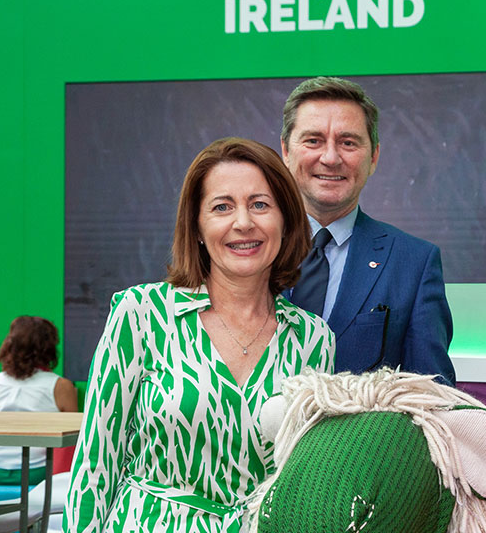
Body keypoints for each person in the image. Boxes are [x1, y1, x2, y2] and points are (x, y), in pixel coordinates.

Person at [65, 138, 335, 533]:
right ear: (196, 227)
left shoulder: (314, 339)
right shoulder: (142, 313)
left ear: (287, 221)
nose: (243, 222)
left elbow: (307, 480)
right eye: (222, 207)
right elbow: (96, 461)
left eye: (260, 204)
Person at [280, 77, 456, 385]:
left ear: (373, 156)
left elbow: (432, 399)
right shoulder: (245, 248)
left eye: (348, 143)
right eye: (313, 141)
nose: (331, 158)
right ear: (286, 151)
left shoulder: (414, 263)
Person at [0, 316, 78, 485]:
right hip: (36, 474)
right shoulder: (61, 386)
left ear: (10, 345)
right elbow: (74, 441)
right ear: (50, 348)